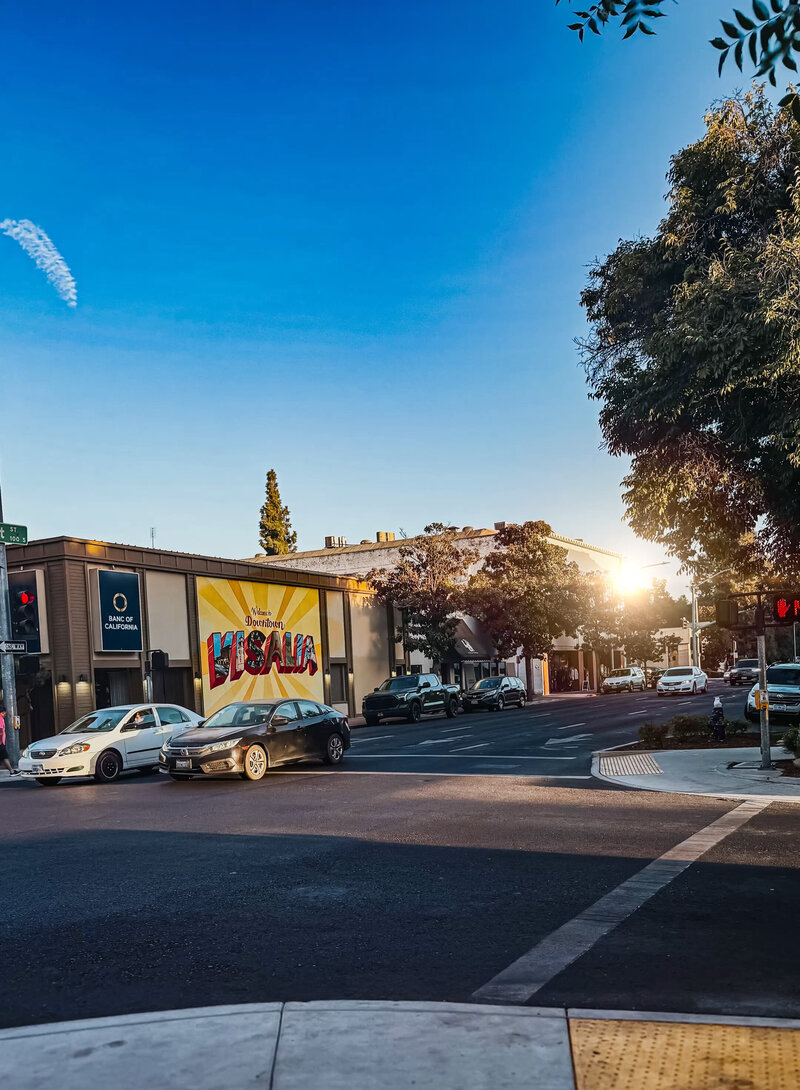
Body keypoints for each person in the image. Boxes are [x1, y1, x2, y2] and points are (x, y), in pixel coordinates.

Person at [0, 702, 19, 775]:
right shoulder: (0, 719)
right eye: (4, 713)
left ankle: (11, 771)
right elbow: (1, 731)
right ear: (2, 712)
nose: (5, 714)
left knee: (4, 757)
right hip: (1, 742)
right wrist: (1, 741)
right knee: (5, 756)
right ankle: (12, 771)